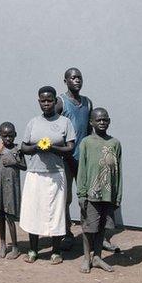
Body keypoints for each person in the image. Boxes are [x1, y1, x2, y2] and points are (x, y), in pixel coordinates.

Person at [19, 86, 76, 263]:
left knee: (56, 212)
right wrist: (36, 147)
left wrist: (53, 148)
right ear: (38, 101)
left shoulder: (65, 123)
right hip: (35, 173)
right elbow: (24, 147)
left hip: (56, 174)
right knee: (33, 210)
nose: (46, 103)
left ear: (55, 101)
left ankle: (56, 251)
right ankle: (33, 250)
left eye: (49, 100)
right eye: (43, 101)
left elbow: (70, 148)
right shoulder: (33, 122)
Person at [76, 107, 122, 273]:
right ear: (91, 122)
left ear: (109, 121)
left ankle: (98, 257)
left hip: (108, 194)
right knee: (89, 228)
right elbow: (82, 169)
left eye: (105, 119)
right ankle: (86, 257)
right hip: (91, 193)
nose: (102, 122)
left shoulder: (115, 143)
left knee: (102, 226)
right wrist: (81, 193)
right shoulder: (86, 142)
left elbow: (119, 171)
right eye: (98, 120)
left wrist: (118, 196)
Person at [56, 67, 91, 247]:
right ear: (66, 81)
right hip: (66, 160)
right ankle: (67, 233)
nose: (77, 80)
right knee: (66, 198)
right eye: (73, 77)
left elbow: (91, 132)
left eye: (79, 77)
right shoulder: (60, 102)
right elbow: (52, 125)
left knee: (86, 197)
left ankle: (89, 232)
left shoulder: (87, 103)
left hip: (84, 160)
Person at [0, 122, 24, 259]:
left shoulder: (18, 150)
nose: (8, 139)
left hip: (11, 188)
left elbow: (24, 166)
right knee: (0, 216)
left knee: (10, 217)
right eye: (5, 136)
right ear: (0, 135)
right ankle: (3, 244)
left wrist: (14, 162)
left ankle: (15, 247)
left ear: (15, 135)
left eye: (11, 136)